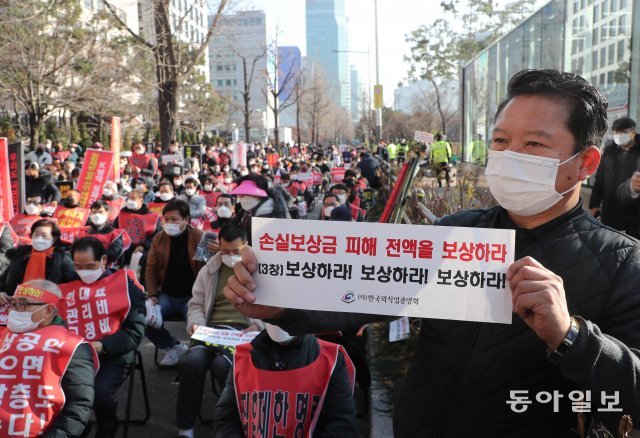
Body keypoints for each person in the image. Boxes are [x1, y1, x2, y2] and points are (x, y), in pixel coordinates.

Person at [225, 69, 640, 436]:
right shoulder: (455, 232)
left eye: (533, 144)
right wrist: (279, 303)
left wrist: (570, 337)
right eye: (500, 140)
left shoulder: (622, 265)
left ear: (585, 163)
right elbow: (360, 294)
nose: (509, 156)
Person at [176, 224, 262, 438]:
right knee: (191, 362)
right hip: (210, 330)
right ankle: (185, 427)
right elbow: (195, 304)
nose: (230, 256)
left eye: (236, 251)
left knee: (223, 366)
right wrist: (195, 324)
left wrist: (258, 326)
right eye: (225, 251)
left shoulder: (259, 271)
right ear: (219, 248)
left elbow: (267, 308)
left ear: (246, 246)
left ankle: (236, 423)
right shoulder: (210, 269)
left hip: (242, 332)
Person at [215, 323, 356, 437]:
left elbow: (341, 422)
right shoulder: (243, 357)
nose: (280, 316)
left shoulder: (330, 360)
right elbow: (227, 416)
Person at [68, 237, 146, 438]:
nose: (84, 271)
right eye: (78, 266)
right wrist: (17, 297)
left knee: (99, 395)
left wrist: (102, 345)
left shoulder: (126, 287)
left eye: (90, 266)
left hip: (113, 354)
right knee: (64, 393)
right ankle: (76, 428)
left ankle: (108, 424)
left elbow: (134, 333)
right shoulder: (68, 285)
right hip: (74, 356)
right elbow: (41, 297)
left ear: (104, 260)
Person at [1, 279, 95, 437]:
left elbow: (78, 406)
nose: (15, 311)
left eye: (23, 304)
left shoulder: (71, 347)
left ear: (49, 310)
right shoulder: (4, 335)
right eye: (14, 304)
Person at [145, 199, 204, 366]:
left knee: (197, 329)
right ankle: (173, 346)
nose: (169, 223)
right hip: (167, 296)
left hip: (192, 298)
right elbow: (151, 268)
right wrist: (153, 295)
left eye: (174, 219)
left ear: (186, 220)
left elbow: (207, 270)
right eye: (166, 219)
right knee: (142, 317)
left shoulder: (198, 237)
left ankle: (197, 359)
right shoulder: (159, 238)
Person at [0, 219, 75, 304]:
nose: (39, 238)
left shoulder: (61, 259)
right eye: (36, 235)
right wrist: (1, 292)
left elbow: (71, 285)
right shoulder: (20, 255)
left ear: (53, 239)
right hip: (16, 303)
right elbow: (4, 278)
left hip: (45, 307)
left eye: (44, 235)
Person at [588, 117, 640, 238]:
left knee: (632, 244)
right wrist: (594, 204)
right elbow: (599, 180)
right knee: (608, 241)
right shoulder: (609, 151)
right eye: (616, 133)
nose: (619, 136)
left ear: (632, 132)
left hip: (634, 212)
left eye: (623, 132)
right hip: (610, 209)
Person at [231, 174, 288, 245]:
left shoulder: (268, 211)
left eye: (247, 193)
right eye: (241, 193)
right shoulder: (246, 209)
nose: (242, 196)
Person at [84, 200, 124, 265]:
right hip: (82, 267)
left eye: (101, 212)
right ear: (90, 214)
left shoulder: (115, 234)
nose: (97, 215)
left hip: (105, 268)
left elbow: (114, 254)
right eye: (94, 212)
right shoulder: (82, 233)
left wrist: (93, 255)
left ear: (107, 214)